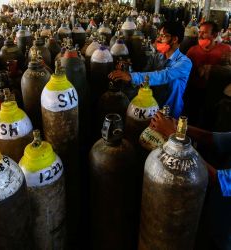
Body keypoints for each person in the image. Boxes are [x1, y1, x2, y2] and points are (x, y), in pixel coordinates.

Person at [150, 111, 231, 250]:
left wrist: (173, 136)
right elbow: (211, 138)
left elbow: (213, 177)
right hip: (212, 212)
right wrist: (178, 126)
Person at [109, 21, 192, 119]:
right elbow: (143, 79)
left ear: (174, 39)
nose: (158, 39)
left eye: (163, 36)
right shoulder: (156, 58)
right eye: (159, 35)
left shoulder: (185, 62)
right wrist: (128, 70)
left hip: (170, 114)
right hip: (152, 109)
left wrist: (132, 76)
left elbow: (163, 76)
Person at [185, 21, 231, 125]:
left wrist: (213, 69)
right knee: (192, 118)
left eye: (204, 32)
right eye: (199, 32)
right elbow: (185, 71)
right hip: (194, 91)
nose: (200, 35)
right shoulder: (193, 51)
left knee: (210, 120)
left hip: (215, 93)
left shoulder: (225, 50)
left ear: (214, 35)